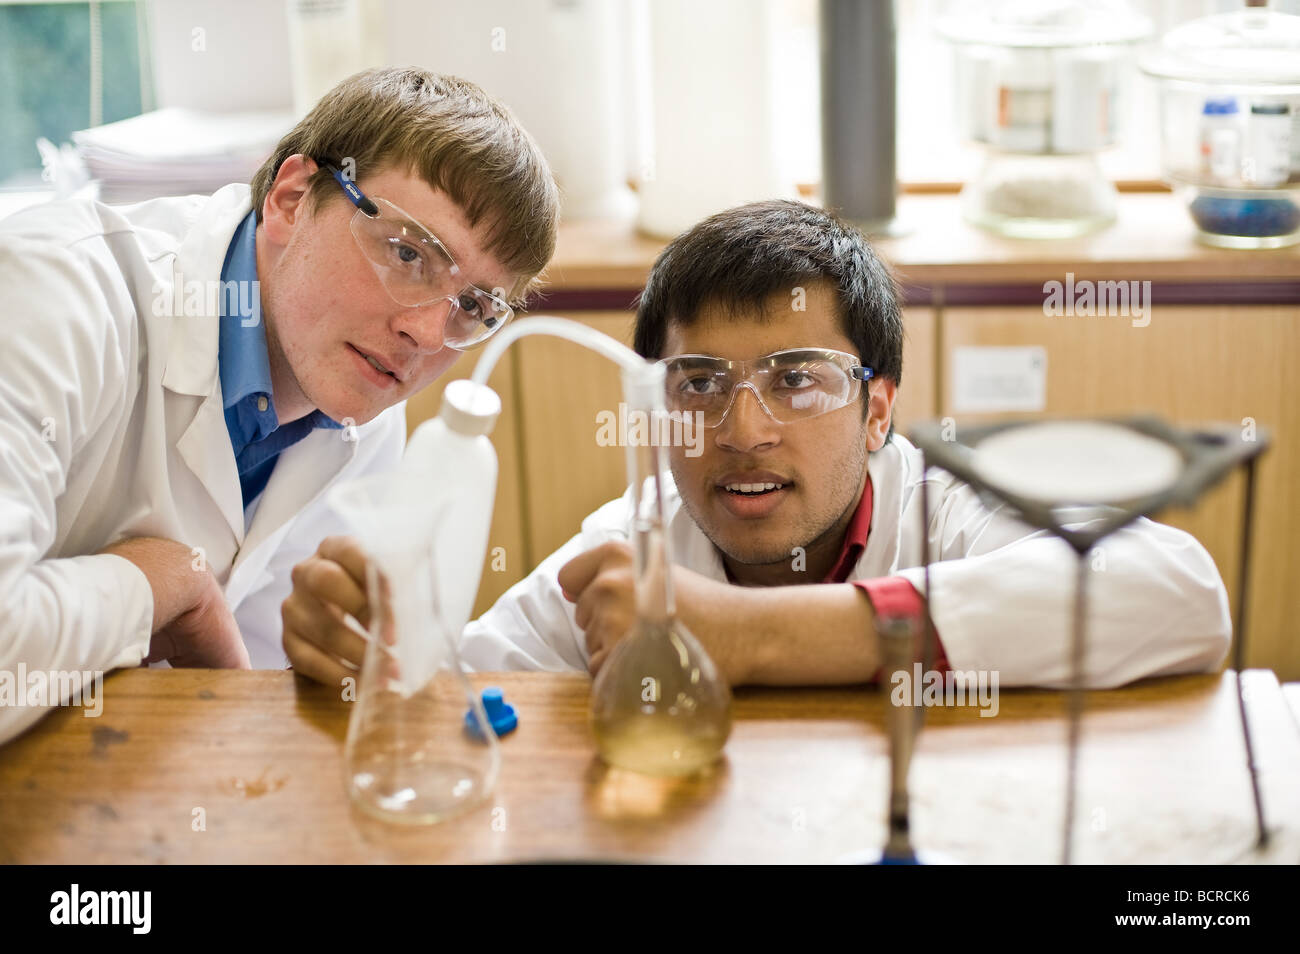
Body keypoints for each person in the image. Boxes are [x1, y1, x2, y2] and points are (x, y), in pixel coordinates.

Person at [282, 200, 1231, 690]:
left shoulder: (951, 505)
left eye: (799, 378)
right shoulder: (631, 546)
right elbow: (463, 696)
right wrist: (363, 651)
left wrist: (753, 636)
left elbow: (1179, 595)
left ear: (878, 409)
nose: (744, 431)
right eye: (700, 385)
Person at [0, 67, 559, 743]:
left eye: (473, 306)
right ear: (292, 199)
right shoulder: (52, 294)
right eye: (409, 254)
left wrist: (321, 664)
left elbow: (245, 689)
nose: (427, 335)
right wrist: (170, 584)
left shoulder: (364, 395)